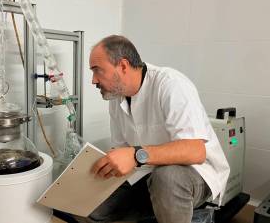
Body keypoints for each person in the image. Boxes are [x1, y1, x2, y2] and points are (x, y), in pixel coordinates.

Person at [79, 35, 230, 223]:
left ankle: (182, 210)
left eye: (97, 71)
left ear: (123, 66)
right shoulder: (116, 98)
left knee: (167, 178)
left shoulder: (170, 84)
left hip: (195, 172)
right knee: (95, 207)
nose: (93, 80)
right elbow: (121, 150)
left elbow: (196, 151)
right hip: (147, 172)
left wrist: (135, 155)